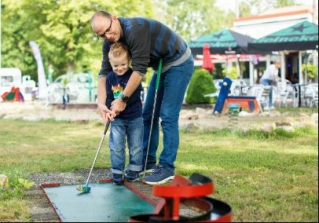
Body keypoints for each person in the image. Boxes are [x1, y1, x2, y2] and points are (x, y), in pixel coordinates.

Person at [91, 11, 194, 185]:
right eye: (102, 35)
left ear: (114, 18)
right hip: (161, 66)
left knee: (167, 115)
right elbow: (104, 72)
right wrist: (101, 103)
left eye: (108, 30)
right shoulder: (109, 42)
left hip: (178, 62)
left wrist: (122, 98)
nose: (108, 36)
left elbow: (138, 70)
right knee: (148, 115)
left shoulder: (135, 30)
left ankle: (167, 167)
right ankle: (149, 161)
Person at [105, 42, 144, 185]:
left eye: (123, 64)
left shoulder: (134, 76)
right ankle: (117, 172)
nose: (120, 68)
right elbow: (109, 97)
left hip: (135, 117)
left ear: (129, 61)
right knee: (116, 147)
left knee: (136, 146)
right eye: (116, 66)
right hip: (118, 120)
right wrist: (110, 110)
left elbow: (134, 96)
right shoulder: (110, 78)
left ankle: (133, 172)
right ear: (111, 63)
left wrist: (122, 103)